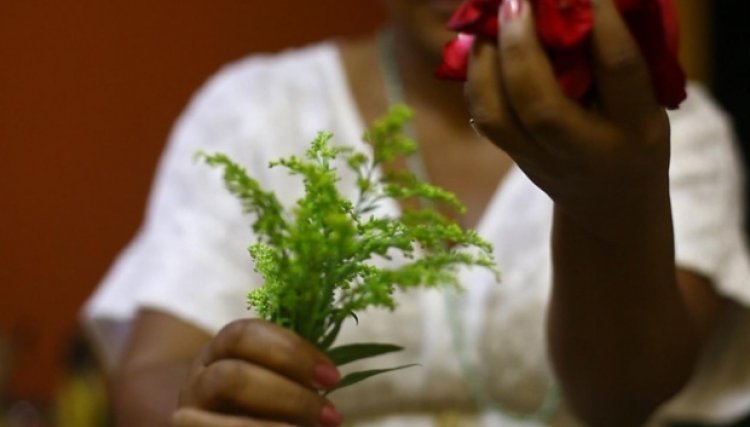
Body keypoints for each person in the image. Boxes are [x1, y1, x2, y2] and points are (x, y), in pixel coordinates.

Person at [83, 0, 750, 426]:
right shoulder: (258, 111)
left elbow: (625, 395)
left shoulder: (662, 131)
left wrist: (608, 206)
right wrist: (209, 400)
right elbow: (152, 369)